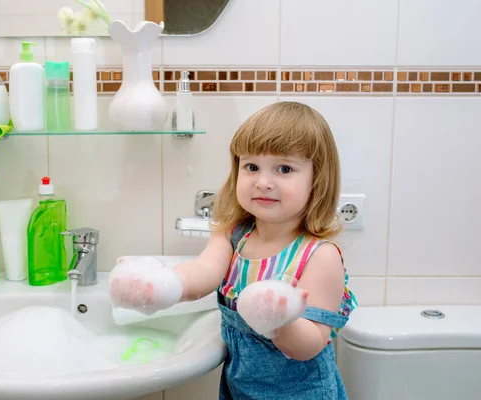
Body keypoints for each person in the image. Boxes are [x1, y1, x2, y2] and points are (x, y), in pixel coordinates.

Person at [109, 101, 358, 399]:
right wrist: (163, 285)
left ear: (316, 180)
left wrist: (279, 322)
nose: (263, 182)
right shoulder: (233, 235)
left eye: (284, 169)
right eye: (251, 166)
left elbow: (310, 344)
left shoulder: (319, 256)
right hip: (240, 391)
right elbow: (202, 273)